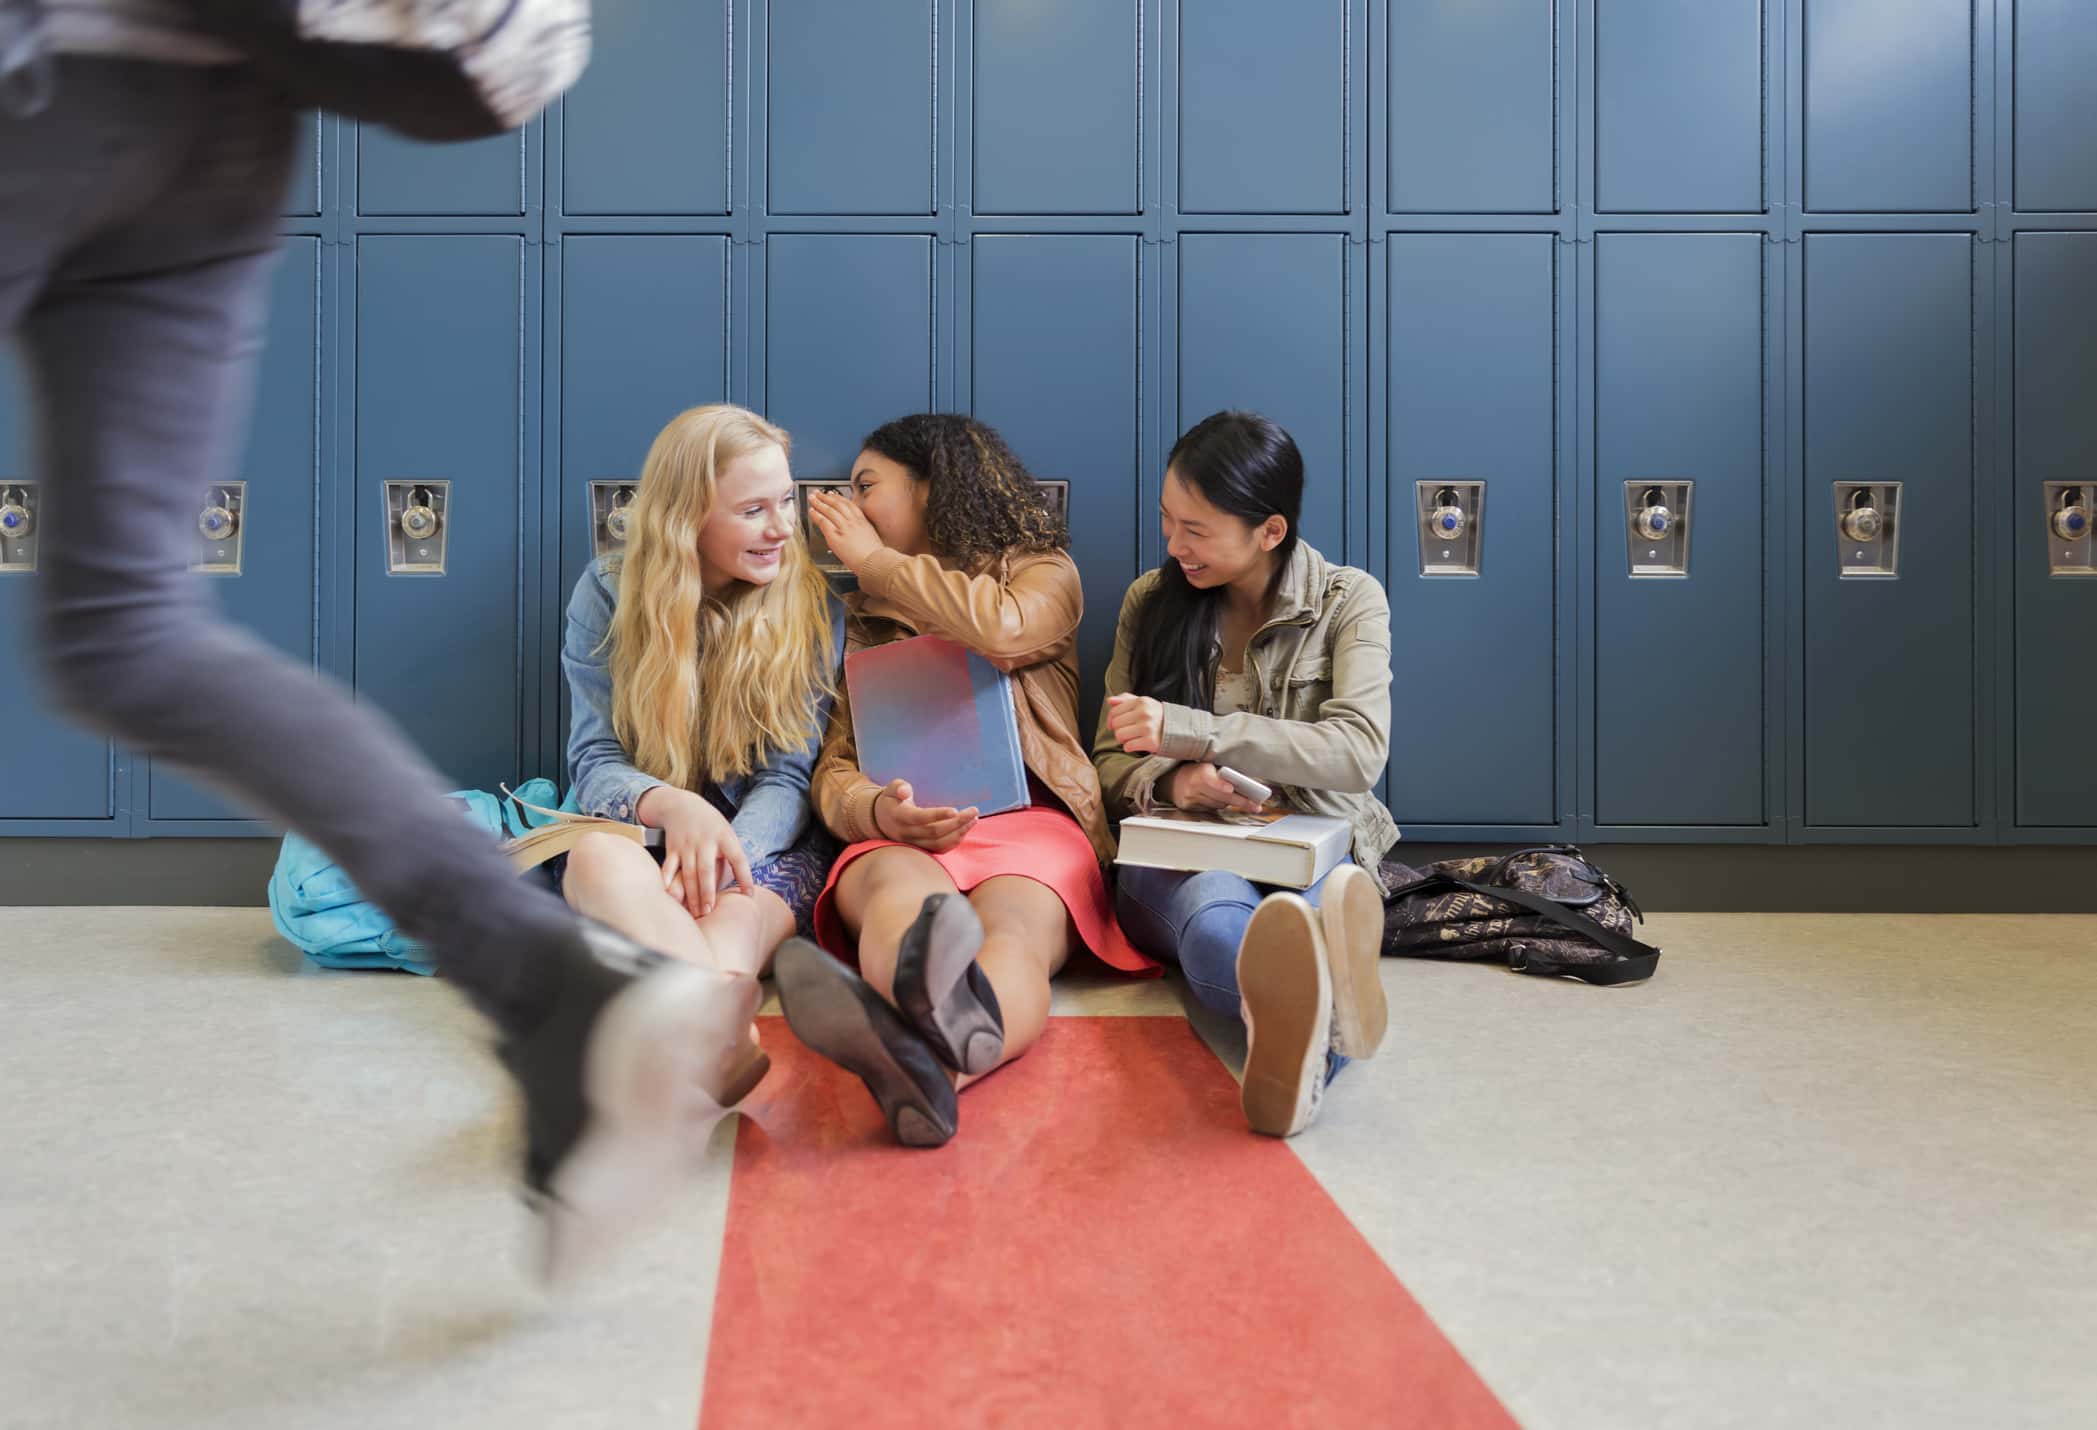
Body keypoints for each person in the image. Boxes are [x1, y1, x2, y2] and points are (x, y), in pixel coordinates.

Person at [0, 5, 750, 1278]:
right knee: (123, 633)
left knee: (121, 630)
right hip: (225, 122)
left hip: (51, 78)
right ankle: (555, 989)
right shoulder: (617, 595)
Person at [772, 413, 1153, 1147]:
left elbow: (1001, 632)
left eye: (866, 487)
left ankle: (914, 1054)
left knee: (1011, 934)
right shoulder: (858, 618)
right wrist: (880, 810)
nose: (848, 507)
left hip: (1030, 824)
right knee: (899, 904)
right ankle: (939, 1065)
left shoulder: (1041, 575)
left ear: (929, 487)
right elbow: (833, 771)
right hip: (906, 828)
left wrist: (875, 560)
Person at [1094, 410, 1398, 1138]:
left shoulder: (1348, 599)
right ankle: (1326, 1012)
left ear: (1269, 531)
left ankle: (1298, 1030)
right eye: (1167, 521)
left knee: (1322, 899)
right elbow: (1105, 759)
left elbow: (1358, 751)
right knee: (1214, 915)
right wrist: (1173, 783)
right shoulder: (1150, 602)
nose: (1172, 545)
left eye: (1195, 530)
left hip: (1314, 835)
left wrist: (1196, 736)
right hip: (1188, 843)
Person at [558, 404, 844, 987]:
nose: (784, 528)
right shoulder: (609, 594)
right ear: (686, 517)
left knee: (734, 915)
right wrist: (675, 806)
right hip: (642, 835)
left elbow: (787, 780)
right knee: (595, 857)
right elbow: (596, 761)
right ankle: (724, 1036)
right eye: (752, 510)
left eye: (786, 499)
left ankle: (704, 1036)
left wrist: (721, 851)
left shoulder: (812, 608)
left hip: (760, 850)